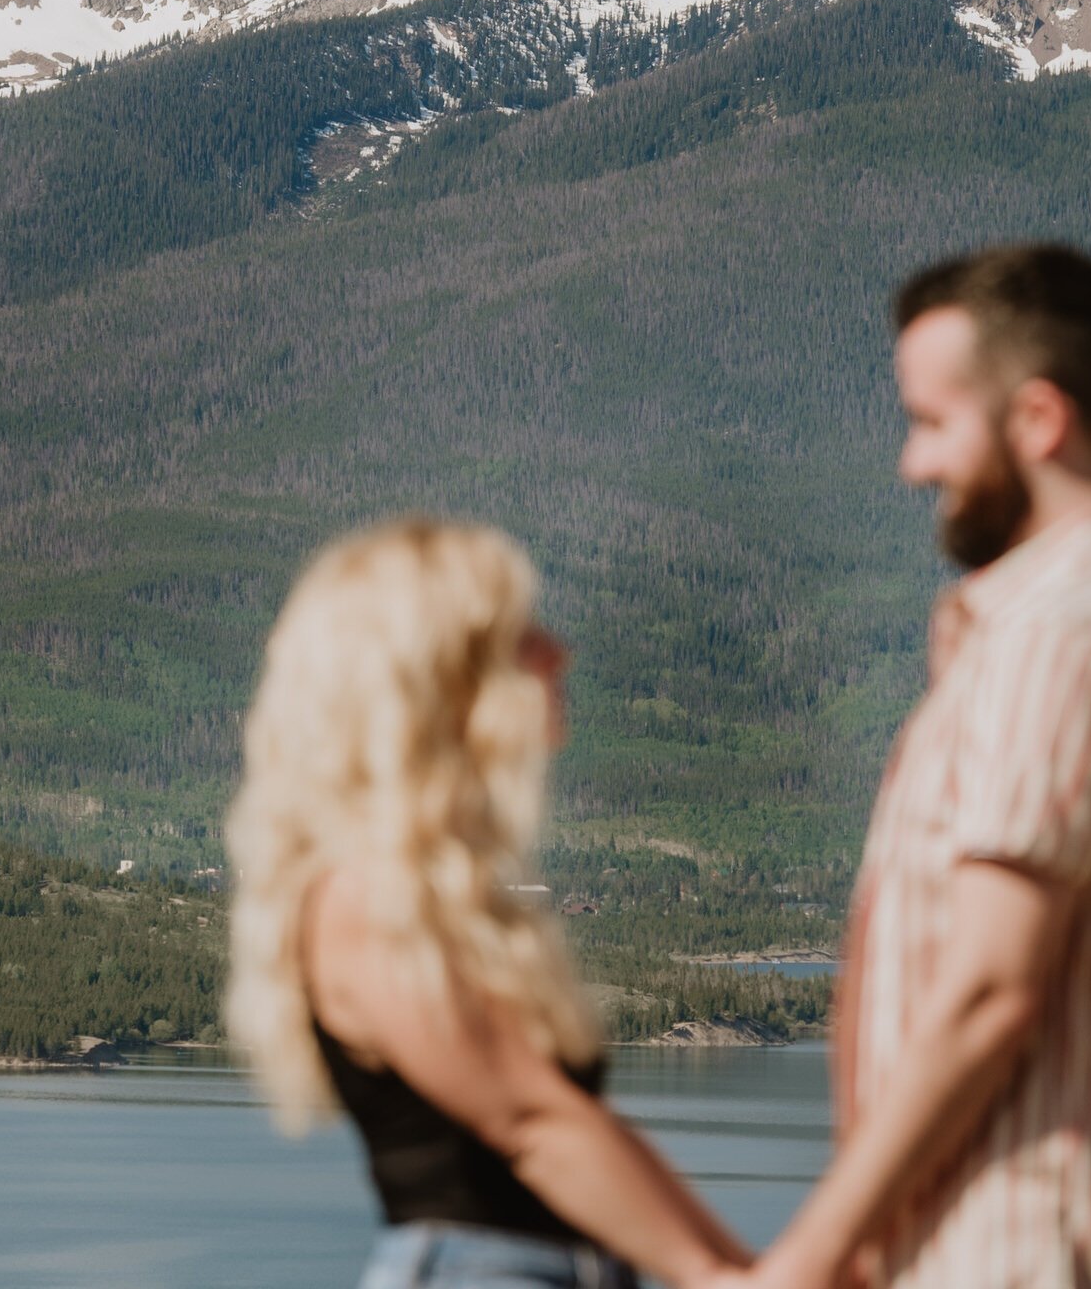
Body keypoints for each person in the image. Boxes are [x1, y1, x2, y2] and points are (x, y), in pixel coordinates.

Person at [740, 243, 1091, 1289]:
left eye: (930, 424)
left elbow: (985, 991)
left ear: (1036, 422)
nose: (910, 465)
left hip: (1016, 1250)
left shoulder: (1059, 637)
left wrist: (808, 1255)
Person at [227, 516, 750, 1289]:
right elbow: (532, 1124)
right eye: (522, 635)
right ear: (441, 677)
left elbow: (580, 1125)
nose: (557, 652)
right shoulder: (361, 896)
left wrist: (744, 1268)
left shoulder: (442, 891)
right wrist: (717, 1275)